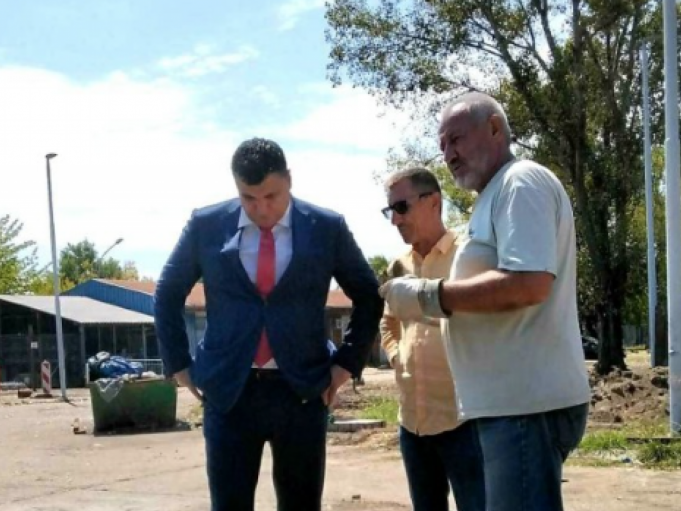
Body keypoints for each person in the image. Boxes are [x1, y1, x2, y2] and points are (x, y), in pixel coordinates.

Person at [380, 92, 591, 511]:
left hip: (525, 406)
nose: (448, 154)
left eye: (456, 139)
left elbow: (529, 283)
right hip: (510, 406)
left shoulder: (520, 182)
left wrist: (427, 296)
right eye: (442, 145)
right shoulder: (495, 195)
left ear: (495, 128)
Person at [154, 137, 383, 511]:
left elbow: (369, 295)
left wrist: (346, 364)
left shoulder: (326, 227)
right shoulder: (206, 225)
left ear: (289, 180)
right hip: (230, 392)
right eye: (249, 198)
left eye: (271, 196)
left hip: (301, 392)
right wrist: (179, 364)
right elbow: (167, 292)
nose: (261, 209)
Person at [380, 167, 485, 511]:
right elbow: (388, 322)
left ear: (434, 202)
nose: (395, 220)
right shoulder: (398, 266)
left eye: (401, 207)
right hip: (412, 424)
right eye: (390, 210)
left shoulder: (467, 256)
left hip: (464, 423)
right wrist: (397, 357)